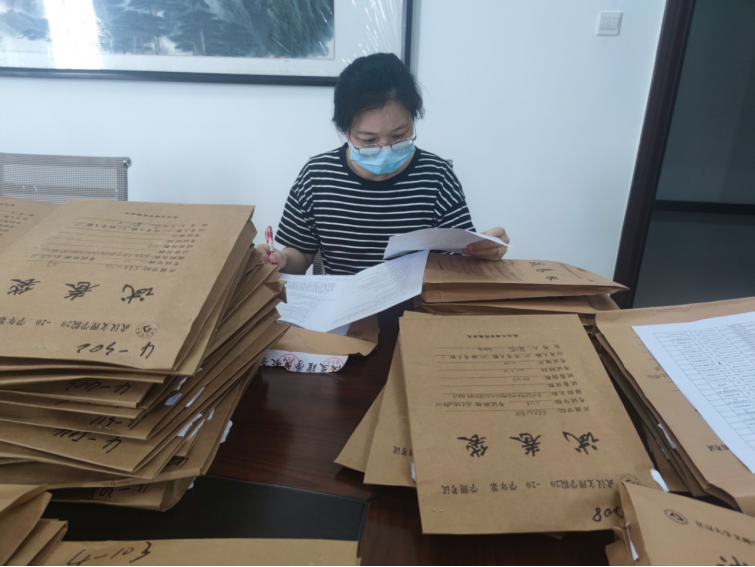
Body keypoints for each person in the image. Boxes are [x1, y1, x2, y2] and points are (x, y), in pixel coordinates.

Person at [257, 52, 509, 275]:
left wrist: (484, 251)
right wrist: (282, 260)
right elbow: (300, 254)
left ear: (413, 120)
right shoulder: (317, 177)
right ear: (345, 130)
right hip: (343, 309)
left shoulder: (437, 177)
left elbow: (460, 257)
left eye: (399, 135)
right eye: (369, 140)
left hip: (418, 307)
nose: (385, 149)